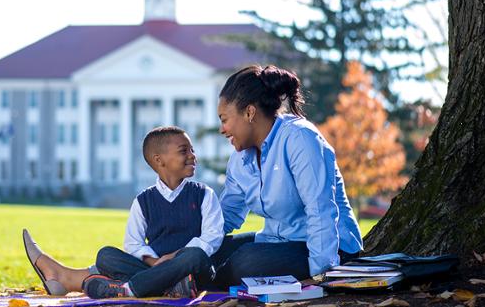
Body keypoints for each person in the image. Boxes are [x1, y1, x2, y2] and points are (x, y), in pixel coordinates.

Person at [23, 126, 224, 298]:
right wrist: (155, 263)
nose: (192, 156)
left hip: (194, 273)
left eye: (192, 150)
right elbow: (133, 244)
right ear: (159, 160)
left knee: (195, 255)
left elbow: (211, 238)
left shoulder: (204, 194)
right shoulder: (143, 201)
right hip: (152, 269)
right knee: (106, 256)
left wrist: (172, 258)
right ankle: (169, 287)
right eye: (184, 151)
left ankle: (128, 289)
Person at [211, 64, 363, 288]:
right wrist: (192, 248)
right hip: (277, 241)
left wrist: (323, 275)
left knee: (244, 262)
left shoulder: (300, 139)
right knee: (214, 250)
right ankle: (204, 279)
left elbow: (320, 210)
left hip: (328, 247)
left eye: (224, 119)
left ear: (249, 112)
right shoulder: (240, 158)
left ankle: (210, 282)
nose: (222, 129)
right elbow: (228, 213)